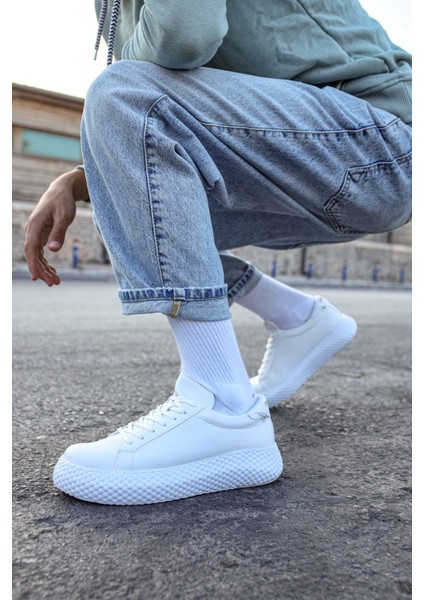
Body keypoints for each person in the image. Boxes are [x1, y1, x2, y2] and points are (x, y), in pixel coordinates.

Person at [24, 0, 412, 506]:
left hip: (379, 140)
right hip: (320, 166)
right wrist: (84, 177)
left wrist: (108, 130)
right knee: (130, 196)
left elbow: (185, 34)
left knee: (121, 95)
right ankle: (297, 318)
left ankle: (224, 407)